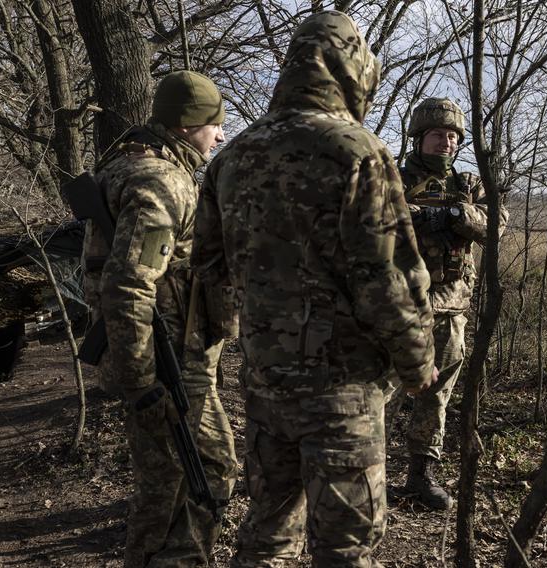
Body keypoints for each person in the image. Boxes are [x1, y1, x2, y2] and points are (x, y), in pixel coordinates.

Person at [190, 10, 436, 567]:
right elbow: (387, 276)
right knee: (345, 548)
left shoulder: (233, 156)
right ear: (352, 69)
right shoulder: (356, 150)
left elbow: (207, 265)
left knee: (268, 531)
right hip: (341, 387)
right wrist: (417, 361)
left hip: (265, 381)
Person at [81, 70, 237, 567]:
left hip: (162, 351)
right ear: (190, 125)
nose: (220, 136)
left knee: (163, 485)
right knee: (204, 472)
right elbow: (129, 281)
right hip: (168, 359)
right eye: (216, 125)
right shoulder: (161, 179)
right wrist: (144, 382)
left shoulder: (128, 165)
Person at [385, 97, 507, 510]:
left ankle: (420, 474)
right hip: (404, 304)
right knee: (386, 390)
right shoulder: (395, 178)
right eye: (439, 135)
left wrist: (457, 212)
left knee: (436, 395)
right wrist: (425, 216)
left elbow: (496, 224)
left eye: (453, 136)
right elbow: (384, 219)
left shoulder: (468, 183)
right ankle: (369, 472)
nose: (447, 142)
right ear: (420, 138)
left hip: (453, 306)